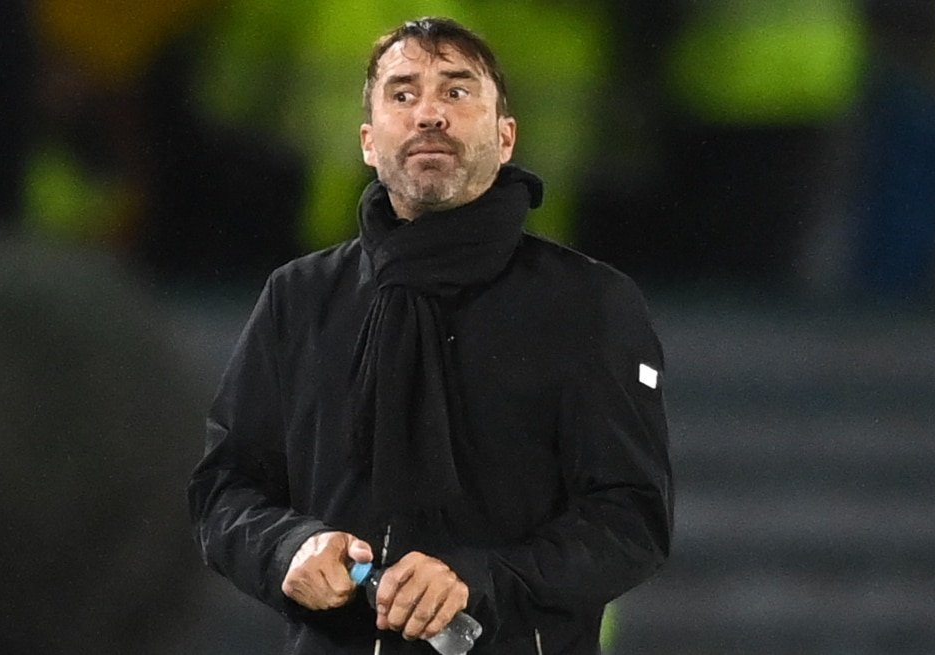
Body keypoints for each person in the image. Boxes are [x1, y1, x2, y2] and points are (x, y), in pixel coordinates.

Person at [187, 17, 673, 655]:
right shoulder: (299, 298)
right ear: (368, 142)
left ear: (506, 138)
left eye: (456, 91)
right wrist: (287, 549)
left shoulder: (589, 303)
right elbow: (225, 490)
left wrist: (481, 582)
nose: (429, 114)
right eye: (403, 94)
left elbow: (631, 520)